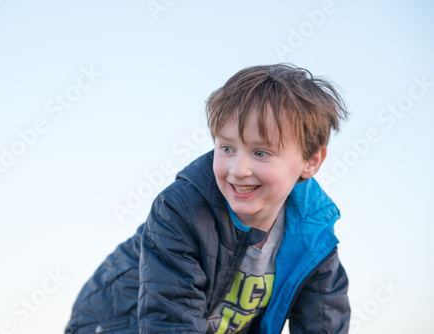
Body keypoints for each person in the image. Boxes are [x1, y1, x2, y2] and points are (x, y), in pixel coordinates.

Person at [65, 64, 351, 334]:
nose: (239, 170)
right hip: (114, 323)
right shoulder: (181, 209)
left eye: (261, 152)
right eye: (227, 148)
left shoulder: (315, 239)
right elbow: (170, 322)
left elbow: (323, 322)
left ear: (311, 161)